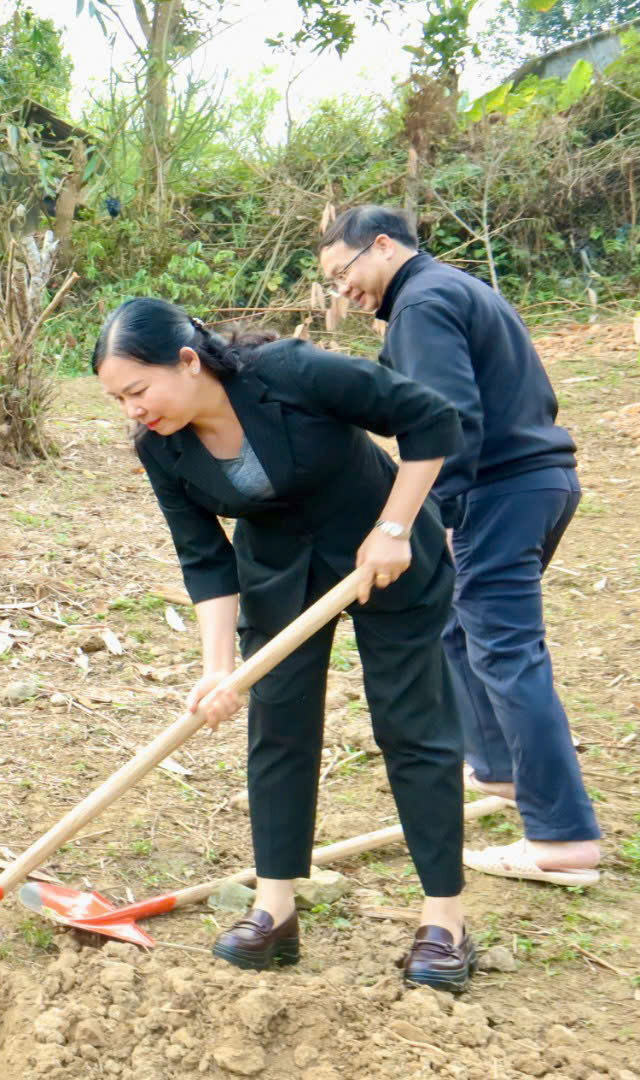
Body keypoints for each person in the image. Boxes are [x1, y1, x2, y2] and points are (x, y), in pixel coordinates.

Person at [93, 297, 475, 991]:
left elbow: (429, 420)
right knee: (278, 728)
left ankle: (444, 921)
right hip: (278, 574)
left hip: (383, 551)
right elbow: (203, 557)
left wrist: (393, 528)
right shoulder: (163, 447)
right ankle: (275, 912)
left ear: (187, 360)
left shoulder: (292, 373)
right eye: (118, 398)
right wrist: (217, 671)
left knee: (409, 723)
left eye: (138, 390)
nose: (132, 410)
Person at [318, 206, 600, 887]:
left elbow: (448, 419)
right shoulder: (451, 289)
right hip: (534, 484)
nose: (343, 292)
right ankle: (501, 771)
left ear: (382, 246)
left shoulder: (422, 303)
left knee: (505, 649)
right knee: (458, 630)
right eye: (332, 283)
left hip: (502, 491)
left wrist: (429, 516)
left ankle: (562, 840)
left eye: (344, 272)